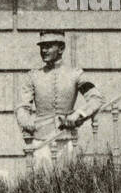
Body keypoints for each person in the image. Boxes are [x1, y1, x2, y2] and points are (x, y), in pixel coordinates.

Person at [16, 31, 104, 165]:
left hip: (67, 139)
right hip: (41, 140)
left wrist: (79, 114)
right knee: (42, 182)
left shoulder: (75, 74)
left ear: (61, 49)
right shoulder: (33, 76)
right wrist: (26, 120)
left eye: (49, 46)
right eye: (42, 47)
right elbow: (22, 106)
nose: (44, 50)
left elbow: (96, 98)